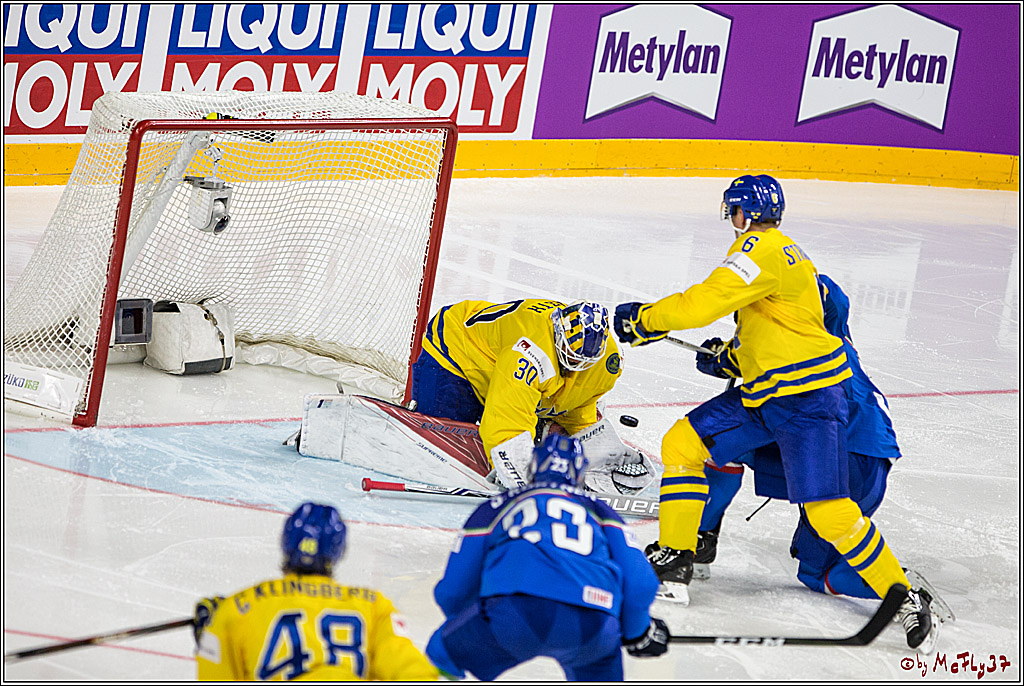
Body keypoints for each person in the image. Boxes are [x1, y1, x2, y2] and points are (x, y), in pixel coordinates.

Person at [613, 174, 939, 653]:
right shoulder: (790, 257)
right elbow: (783, 330)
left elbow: (702, 303)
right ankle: (677, 558)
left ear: (744, 213)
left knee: (830, 514)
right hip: (772, 395)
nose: (731, 219)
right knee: (684, 442)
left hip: (807, 401)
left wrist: (646, 320)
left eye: (733, 210)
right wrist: (733, 357)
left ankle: (902, 594)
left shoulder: (759, 247)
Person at [692, 273, 905, 600]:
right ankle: (899, 586)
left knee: (717, 439)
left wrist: (730, 359)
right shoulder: (830, 339)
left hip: (844, 456)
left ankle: (900, 589)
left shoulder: (792, 353)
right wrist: (735, 358)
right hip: (871, 459)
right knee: (816, 571)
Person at [426, 433, 668, 681]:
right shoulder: (602, 511)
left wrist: (467, 623)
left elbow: (453, 591)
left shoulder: (497, 506)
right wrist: (637, 632)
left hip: (514, 614)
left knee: (441, 653)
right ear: (580, 472)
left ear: (533, 466)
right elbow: (641, 584)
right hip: (593, 623)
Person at [411, 298, 655, 494]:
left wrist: (598, 451)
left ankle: (540, 431)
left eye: (580, 361)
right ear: (557, 329)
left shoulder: (607, 363)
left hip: (502, 368)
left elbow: (579, 404)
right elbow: (505, 420)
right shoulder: (528, 352)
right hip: (456, 351)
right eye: (567, 354)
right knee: (439, 448)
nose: (572, 364)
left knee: (552, 432)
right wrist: (520, 478)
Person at [193, 502, 439, 681]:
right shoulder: (373, 606)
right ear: (339, 551)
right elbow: (414, 674)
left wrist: (211, 631)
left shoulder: (240, 608)